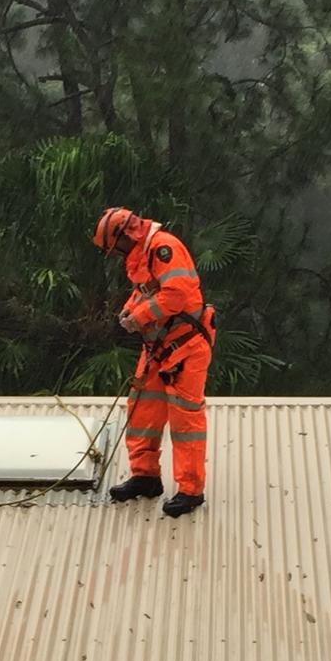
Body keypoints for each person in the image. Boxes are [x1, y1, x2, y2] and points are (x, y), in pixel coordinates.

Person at [92, 207, 215, 517]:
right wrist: (129, 309)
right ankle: (145, 476)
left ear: (128, 234)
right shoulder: (142, 255)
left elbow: (175, 295)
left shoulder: (164, 248)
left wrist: (140, 318)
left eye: (117, 247)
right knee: (142, 409)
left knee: (186, 421)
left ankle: (191, 490)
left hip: (185, 347)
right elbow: (145, 290)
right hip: (158, 348)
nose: (118, 254)